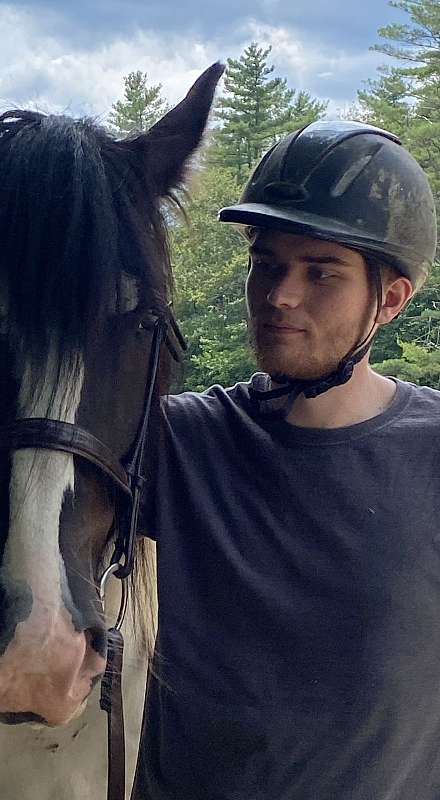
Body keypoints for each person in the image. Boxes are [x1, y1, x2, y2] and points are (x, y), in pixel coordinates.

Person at [132, 120, 440, 800]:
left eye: (320, 271)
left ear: (390, 299)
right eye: (267, 264)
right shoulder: (180, 443)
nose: (280, 296)